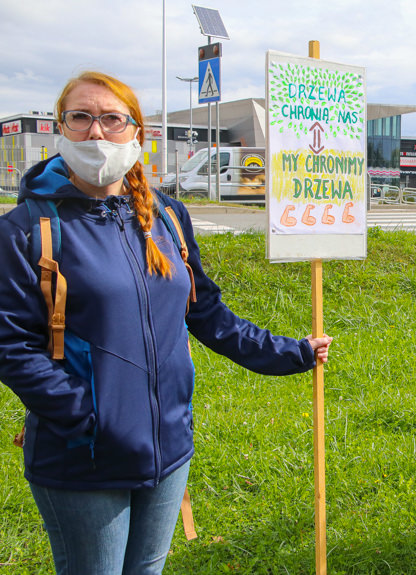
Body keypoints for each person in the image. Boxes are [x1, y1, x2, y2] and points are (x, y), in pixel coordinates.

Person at [0, 71, 332, 575]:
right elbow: (11, 345)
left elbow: (206, 313)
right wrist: (87, 418)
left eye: (112, 119)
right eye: (81, 117)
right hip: (84, 454)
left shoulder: (167, 216)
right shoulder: (26, 230)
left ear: (136, 132)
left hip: (168, 444)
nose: (96, 132)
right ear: (61, 128)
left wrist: (291, 352)